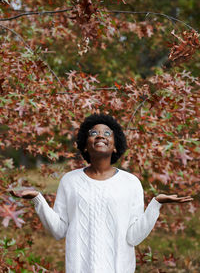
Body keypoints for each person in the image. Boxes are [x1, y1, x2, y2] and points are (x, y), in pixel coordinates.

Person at [11, 113, 193, 273]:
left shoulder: (131, 183)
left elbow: (133, 237)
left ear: (115, 146)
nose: (100, 136)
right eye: (93, 133)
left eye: (107, 133)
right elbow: (59, 231)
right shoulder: (70, 180)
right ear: (84, 145)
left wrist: (156, 205)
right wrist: (38, 200)